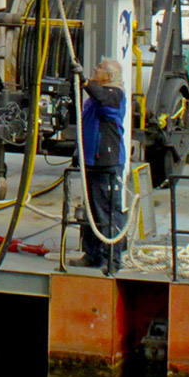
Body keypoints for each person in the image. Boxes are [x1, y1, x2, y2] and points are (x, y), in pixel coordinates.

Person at [76, 60, 127, 272]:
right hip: (91, 161)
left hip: (106, 162)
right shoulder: (99, 94)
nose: (95, 68)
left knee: (107, 211)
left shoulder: (115, 94)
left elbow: (103, 99)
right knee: (91, 209)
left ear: (107, 75)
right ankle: (93, 254)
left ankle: (112, 260)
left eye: (98, 67)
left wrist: (85, 81)